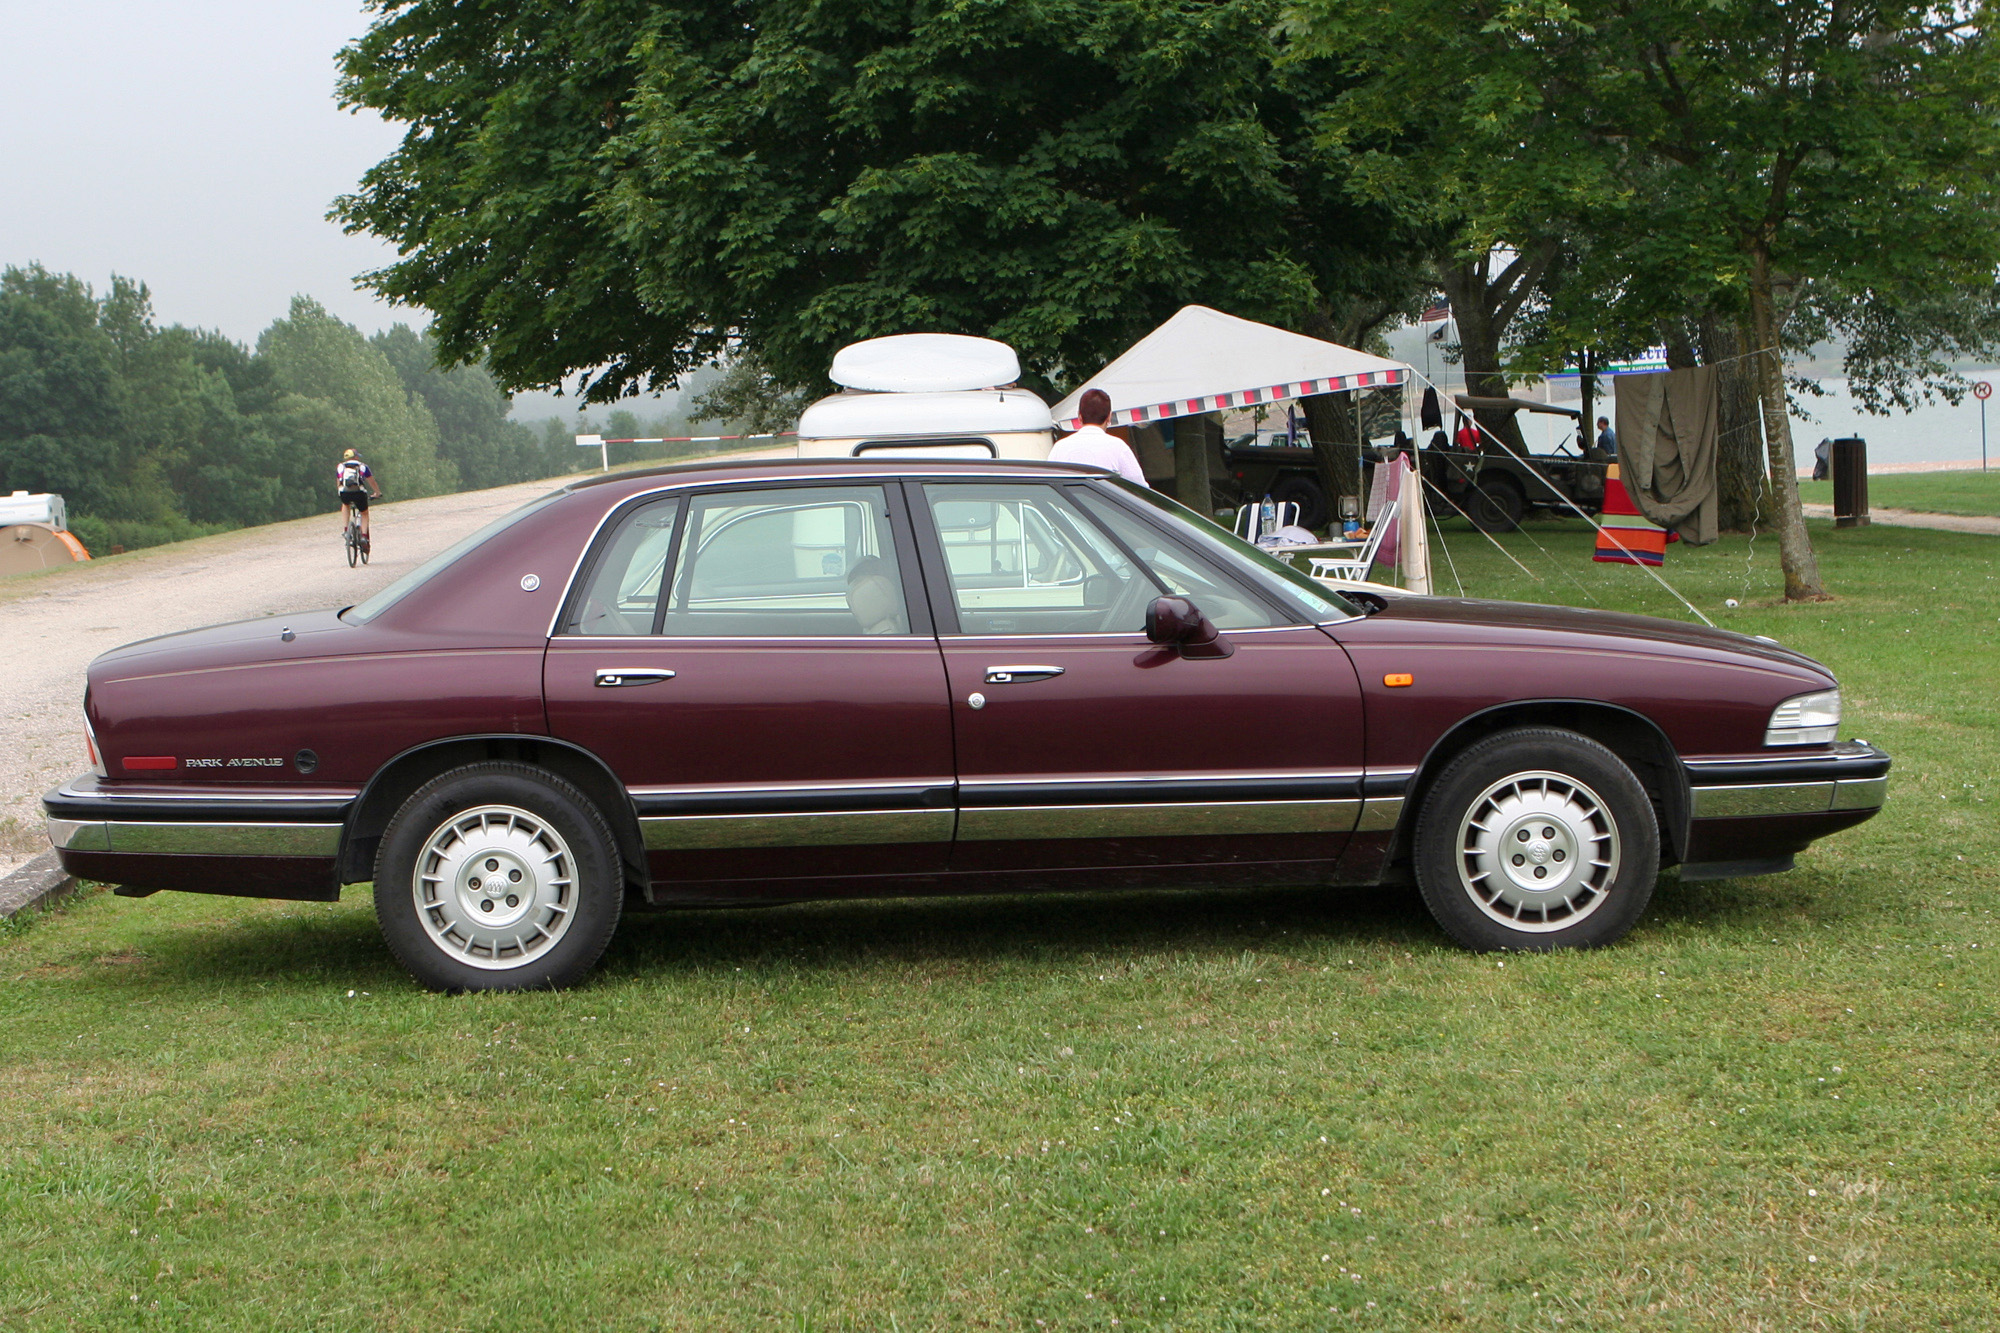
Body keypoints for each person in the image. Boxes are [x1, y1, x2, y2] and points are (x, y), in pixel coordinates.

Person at [1049, 389, 1147, 486]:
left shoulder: (1059, 447)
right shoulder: (1118, 447)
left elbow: (1048, 485)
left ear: (1079, 416)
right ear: (1109, 417)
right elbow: (1139, 488)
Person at [336, 449, 382, 548]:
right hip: (359, 493)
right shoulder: (363, 466)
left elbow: (339, 483)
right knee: (364, 512)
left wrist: (340, 493)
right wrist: (377, 493)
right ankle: (364, 537)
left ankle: (346, 530)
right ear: (355, 457)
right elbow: (372, 482)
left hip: (344, 492)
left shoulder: (340, 467)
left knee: (345, 504)